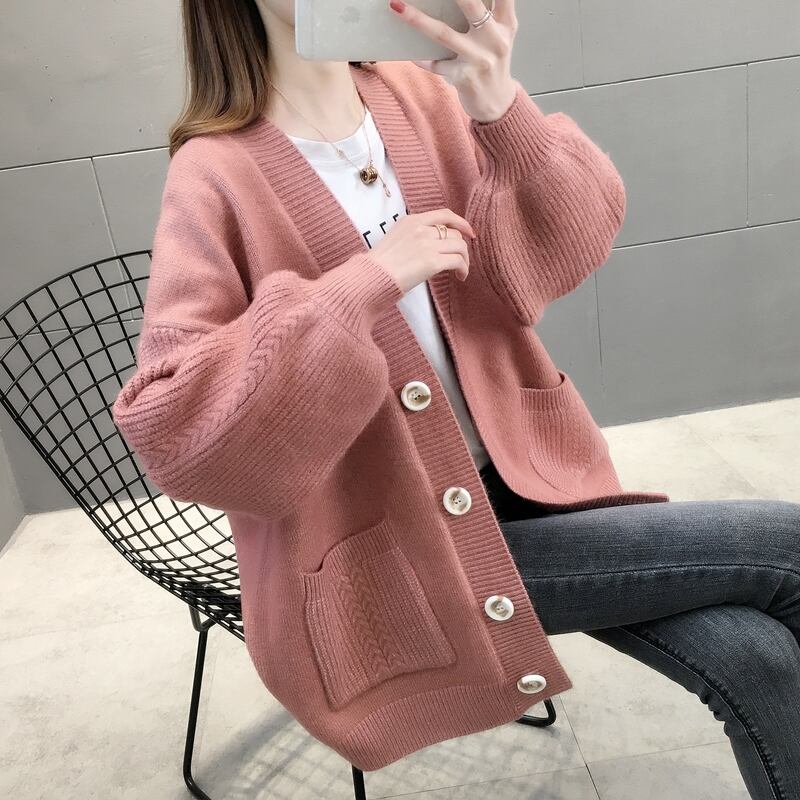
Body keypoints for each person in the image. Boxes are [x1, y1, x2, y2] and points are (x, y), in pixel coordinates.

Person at [113, 1, 800, 795]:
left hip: (530, 488)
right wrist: (364, 283)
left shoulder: (422, 96)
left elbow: (569, 247)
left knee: (757, 657)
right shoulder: (215, 172)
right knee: (787, 545)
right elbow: (177, 429)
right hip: (405, 556)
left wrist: (499, 104)